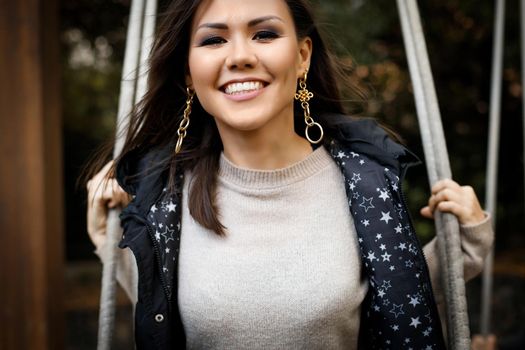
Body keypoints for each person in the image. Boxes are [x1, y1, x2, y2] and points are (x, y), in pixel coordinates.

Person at [84, 0, 494, 349]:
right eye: (213, 39)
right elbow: (157, 305)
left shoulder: (364, 185)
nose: (239, 56)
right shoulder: (166, 199)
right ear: (189, 74)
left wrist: (463, 243)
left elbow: (398, 297)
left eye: (264, 34)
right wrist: (109, 236)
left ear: (302, 56)